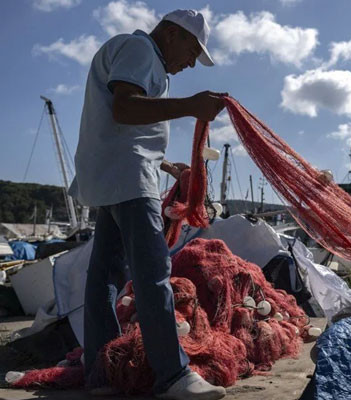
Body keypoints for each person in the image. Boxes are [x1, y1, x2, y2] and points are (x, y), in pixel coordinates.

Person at [68, 9, 227, 400]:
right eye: (192, 51)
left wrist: (167, 165)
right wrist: (191, 105)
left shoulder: (137, 53)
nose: (190, 64)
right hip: (128, 178)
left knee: (104, 275)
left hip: (112, 175)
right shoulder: (141, 50)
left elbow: (121, 123)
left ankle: (102, 374)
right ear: (172, 34)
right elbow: (125, 108)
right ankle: (173, 376)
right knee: (154, 272)